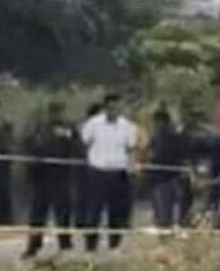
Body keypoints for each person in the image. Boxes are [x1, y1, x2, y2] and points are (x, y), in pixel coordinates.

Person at [79, 93, 139, 252]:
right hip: (97, 172)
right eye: (111, 108)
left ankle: (114, 245)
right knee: (94, 210)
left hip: (118, 172)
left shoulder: (127, 126)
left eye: (117, 107)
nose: (115, 111)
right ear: (106, 108)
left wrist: (132, 169)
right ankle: (90, 246)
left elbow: (131, 149)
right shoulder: (94, 123)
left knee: (117, 211)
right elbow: (84, 143)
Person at [22, 100, 82, 259]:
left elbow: (77, 148)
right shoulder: (40, 127)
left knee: (63, 213)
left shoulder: (68, 128)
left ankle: (65, 245)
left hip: (62, 176)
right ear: (49, 112)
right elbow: (28, 145)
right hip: (42, 176)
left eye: (59, 111)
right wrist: (31, 167)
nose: (57, 114)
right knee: (37, 214)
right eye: (54, 111)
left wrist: (72, 163)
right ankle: (34, 245)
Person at [146, 105, 189, 233]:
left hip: (163, 177)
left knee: (164, 209)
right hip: (170, 176)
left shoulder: (161, 136)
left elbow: (155, 154)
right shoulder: (172, 136)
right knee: (168, 208)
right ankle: (168, 227)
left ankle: (165, 228)